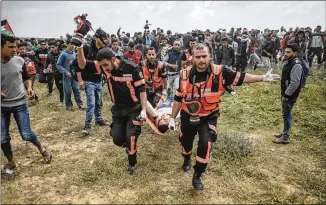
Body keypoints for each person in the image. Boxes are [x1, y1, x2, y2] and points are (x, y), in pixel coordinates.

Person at [168, 43, 280, 190]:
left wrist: (262, 78)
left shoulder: (220, 71)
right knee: (185, 141)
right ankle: (186, 158)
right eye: (198, 57)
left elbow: (241, 78)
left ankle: (198, 175)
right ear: (192, 58)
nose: (201, 60)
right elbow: (178, 97)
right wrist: (172, 118)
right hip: (188, 115)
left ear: (210, 56)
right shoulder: (185, 74)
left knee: (205, 142)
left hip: (209, 115)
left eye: (204, 56)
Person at [1, 34, 52, 172]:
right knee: (2, 137)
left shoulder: (19, 60)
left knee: (26, 134)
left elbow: (26, 76)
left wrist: (29, 87)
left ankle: (42, 149)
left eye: (15, 46)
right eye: (10, 47)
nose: (15, 49)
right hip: (1, 107)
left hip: (20, 104)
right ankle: (11, 162)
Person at [96, 48, 147, 174]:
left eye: (106, 65)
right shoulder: (106, 70)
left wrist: (144, 110)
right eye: (102, 66)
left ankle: (132, 162)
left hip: (134, 108)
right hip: (118, 109)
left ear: (113, 59)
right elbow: (83, 65)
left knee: (130, 137)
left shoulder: (132, 68)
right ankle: (129, 146)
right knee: (117, 139)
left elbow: (142, 90)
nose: (104, 69)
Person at [273, 44, 304, 144]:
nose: (285, 54)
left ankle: (285, 137)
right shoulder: (289, 62)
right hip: (286, 93)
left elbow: (295, 82)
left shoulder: (296, 65)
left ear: (294, 53)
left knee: (287, 114)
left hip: (290, 95)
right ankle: (284, 133)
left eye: (288, 52)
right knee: (286, 113)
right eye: (285, 51)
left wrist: (286, 94)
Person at [75, 44, 109, 135]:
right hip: (89, 82)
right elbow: (78, 66)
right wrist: (80, 80)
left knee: (98, 102)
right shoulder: (86, 52)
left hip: (98, 82)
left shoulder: (103, 54)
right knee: (91, 104)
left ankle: (98, 120)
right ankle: (87, 126)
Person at [56, 38, 84, 111]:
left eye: (74, 44)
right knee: (68, 91)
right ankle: (69, 106)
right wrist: (65, 72)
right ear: (67, 44)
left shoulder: (74, 53)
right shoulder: (63, 54)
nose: (73, 46)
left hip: (74, 76)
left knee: (76, 90)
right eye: (71, 44)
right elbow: (58, 65)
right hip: (66, 76)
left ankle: (80, 104)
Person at [45, 40, 64, 106]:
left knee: (61, 86)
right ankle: (63, 99)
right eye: (50, 47)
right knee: (58, 86)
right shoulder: (49, 54)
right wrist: (46, 68)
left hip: (63, 73)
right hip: (55, 73)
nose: (51, 49)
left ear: (56, 46)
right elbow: (47, 62)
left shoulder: (62, 53)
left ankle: (62, 101)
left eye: (53, 47)